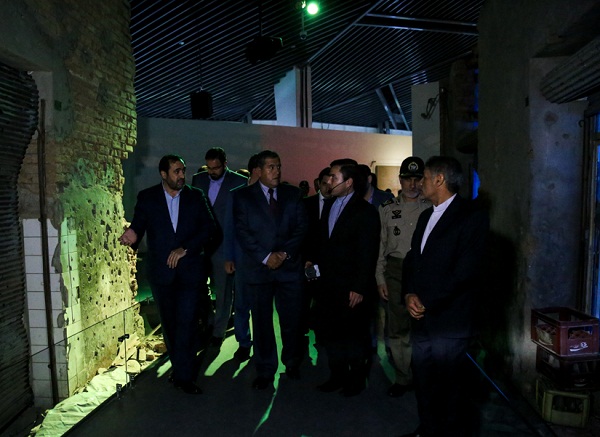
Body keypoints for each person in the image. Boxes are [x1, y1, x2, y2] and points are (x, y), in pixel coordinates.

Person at [402, 156, 489, 437]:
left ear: (439, 179)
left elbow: (465, 273)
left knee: (451, 388)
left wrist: (427, 301)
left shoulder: (472, 217)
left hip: (450, 321)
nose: (420, 183)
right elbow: (413, 260)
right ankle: (427, 430)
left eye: (425, 178)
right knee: (424, 380)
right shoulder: (425, 216)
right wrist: (408, 293)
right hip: (421, 319)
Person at [119, 154, 217, 394]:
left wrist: (186, 248)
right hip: (162, 274)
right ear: (164, 174)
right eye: (176, 171)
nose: (182, 175)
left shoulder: (196, 196)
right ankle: (179, 368)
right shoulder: (148, 197)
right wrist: (132, 235)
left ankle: (185, 376)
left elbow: (210, 229)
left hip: (190, 273)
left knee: (187, 323)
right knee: (171, 326)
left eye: (183, 170)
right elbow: (139, 225)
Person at [233, 150, 308, 390]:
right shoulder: (243, 197)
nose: (276, 172)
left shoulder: (293, 194)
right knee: (262, 323)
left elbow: (301, 228)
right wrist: (266, 257)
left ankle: (292, 362)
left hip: (289, 269)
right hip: (259, 269)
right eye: (271, 167)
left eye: (278, 166)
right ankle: (265, 369)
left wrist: (283, 254)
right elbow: (242, 232)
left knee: (292, 320)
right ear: (259, 170)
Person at [307, 158, 380, 397]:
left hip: (351, 288)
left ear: (348, 183)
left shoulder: (366, 212)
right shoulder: (328, 206)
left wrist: (359, 287)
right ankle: (336, 375)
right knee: (332, 334)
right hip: (328, 286)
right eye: (328, 177)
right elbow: (323, 243)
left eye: (333, 177)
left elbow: (367, 253)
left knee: (354, 336)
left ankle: (356, 380)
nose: (328, 181)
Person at [376, 156, 430, 398]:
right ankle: (402, 376)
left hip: (424, 270)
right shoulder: (387, 209)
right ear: (400, 180)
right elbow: (380, 246)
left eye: (417, 179)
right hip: (396, 270)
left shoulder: (431, 207)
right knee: (398, 327)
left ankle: (423, 374)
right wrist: (380, 278)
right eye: (408, 179)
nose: (412, 184)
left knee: (423, 324)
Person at [192, 147, 247, 346]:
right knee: (199, 288)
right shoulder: (198, 180)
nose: (211, 172)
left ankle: (218, 331)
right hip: (201, 245)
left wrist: (234, 251)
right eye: (209, 167)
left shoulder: (239, 182)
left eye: (215, 168)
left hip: (225, 245)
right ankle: (208, 322)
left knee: (224, 291)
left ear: (225, 164)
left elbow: (241, 219)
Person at [223, 154, 261, 361]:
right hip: (242, 259)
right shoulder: (236, 195)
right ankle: (244, 342)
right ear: (257, 170)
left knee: (261, 306)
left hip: (264, 260)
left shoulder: (271, 195)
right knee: (242, 304)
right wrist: (229, 257)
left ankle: (261, 345)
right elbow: (229, 227)